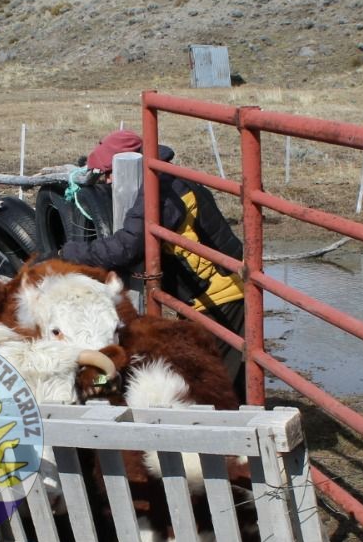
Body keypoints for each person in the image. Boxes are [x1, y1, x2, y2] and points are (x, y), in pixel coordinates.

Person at [59, 129, 247, 385]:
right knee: (216, 371)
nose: (109, 182)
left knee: (212, 381)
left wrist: (70, 252)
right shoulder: (161, 177)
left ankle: (234, 418)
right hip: (211, 292)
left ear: (127, 164)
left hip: (220, 295)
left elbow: (127, 246)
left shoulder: (160, 191)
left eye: (108, 174)